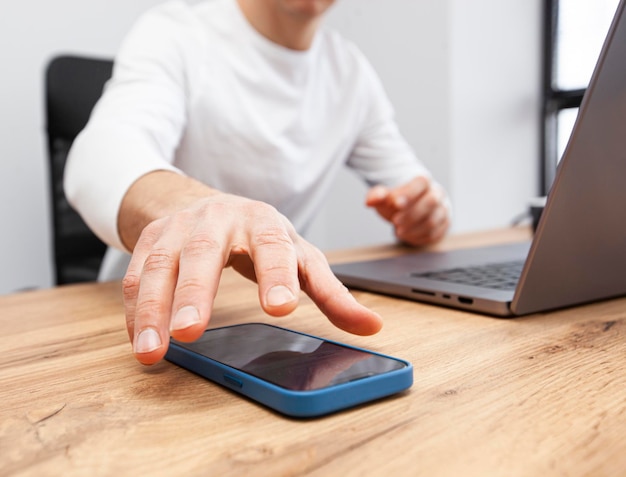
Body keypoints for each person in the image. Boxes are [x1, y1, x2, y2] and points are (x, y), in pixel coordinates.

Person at [65, 0, 451, 366]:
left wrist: (426, 214)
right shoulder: (177, 32)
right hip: (142, 324)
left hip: (274, 322)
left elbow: (414, 186)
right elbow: (100, 154)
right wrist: (200, 209)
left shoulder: (349, 72)